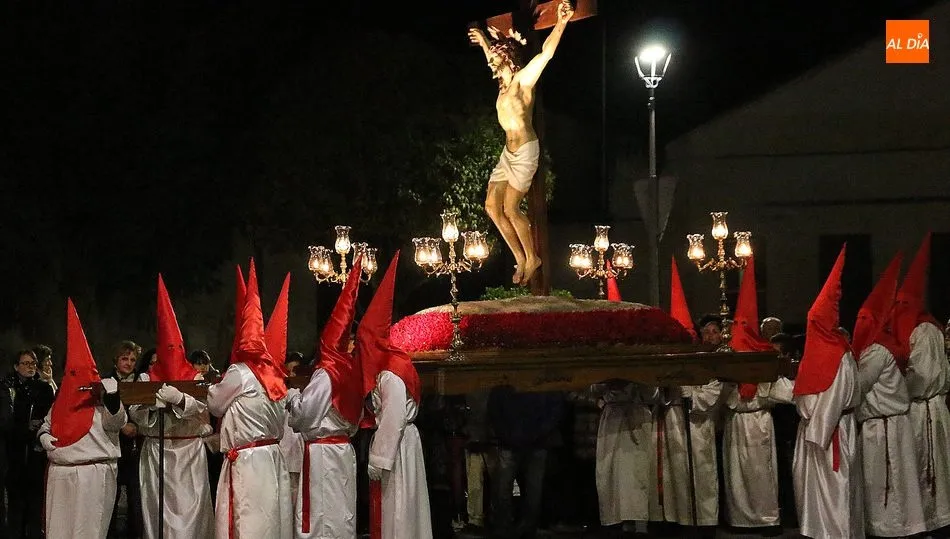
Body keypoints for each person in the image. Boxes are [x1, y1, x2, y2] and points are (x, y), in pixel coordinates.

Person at [467, 0, 574, 286]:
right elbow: (494, 56)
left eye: (494, 59)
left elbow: (546, 54)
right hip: (507, 152)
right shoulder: (502, 84)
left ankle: (532, 257)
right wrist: (484, 42)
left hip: (526, 150)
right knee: (492, 207)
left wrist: (561, 22)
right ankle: (521, 257)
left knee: (511, 208)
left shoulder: (523, 81)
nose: (490, 63)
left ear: (506, 59)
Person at [208, 260, 292, 539]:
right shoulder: (276, 375)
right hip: (272, 456)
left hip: (247, 459)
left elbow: (215, 404)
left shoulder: (239, 373)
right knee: (270, 519)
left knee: (247, 519)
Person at [130, 275, 214, 539]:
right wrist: (153, 406)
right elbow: (136, 411)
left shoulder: (196, 377)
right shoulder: (145, 378)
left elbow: (203, 406)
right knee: (158, 511)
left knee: (192, 512)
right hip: (157, 451)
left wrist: (180, 400)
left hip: (189, 452)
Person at [357, 252, 432, 539]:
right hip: (402, 444)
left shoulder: (390, 374)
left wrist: (378, 458)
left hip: (396, 447)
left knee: (398, 508)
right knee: (402, 507)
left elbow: (393, 417)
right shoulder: (394, 367)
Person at [287, 262, 363, 539]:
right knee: (341, 510)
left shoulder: (326, 374)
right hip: (343, 450)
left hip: (322, 453)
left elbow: (305, 416)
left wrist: (294, 397)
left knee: (321, 515)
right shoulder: (353, 373)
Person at [792, 246, 864, 538]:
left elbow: (832, 400)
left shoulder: (839, 355)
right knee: (814, 493)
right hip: (812, 432)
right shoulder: (817, 352)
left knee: (835, 491)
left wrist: (817, 432)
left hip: (827, 434)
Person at [853, 252, 926, 537]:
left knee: (887, 481)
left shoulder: (875, 351)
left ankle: (890, 529)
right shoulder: (881, 347)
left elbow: (858, 386)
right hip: (888, 424)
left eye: (863, 319)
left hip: (883, 426)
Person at [40, 299, 127, 539]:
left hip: (93, 475)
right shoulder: (62, 401)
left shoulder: (101, 400)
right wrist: (44, 436)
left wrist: (112, 400)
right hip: (61, 475)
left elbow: (116, 422)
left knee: (88, 532)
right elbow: (47, 423)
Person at [722, 257, 793, 532]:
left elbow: (782, 392)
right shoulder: (728, 356)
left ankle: (767, 518)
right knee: (737, 475)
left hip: (758, 421)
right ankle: (739, 519)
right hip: (737, 422)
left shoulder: (765, 356)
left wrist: (761, 392)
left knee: (762, 473)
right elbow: (723, 390)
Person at [892, 233, 950, 532]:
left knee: (931, 467)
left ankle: (934, 521)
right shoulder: (922, 328)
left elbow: (923, 376)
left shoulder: (924, 331)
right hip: (923, 408)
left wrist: (898, 389)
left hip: (923, 407)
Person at [5, 348, 55, 539]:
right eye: (25, 363)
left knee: (35, 503)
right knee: (16, 505)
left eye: (33, 363)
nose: (30, 367)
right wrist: (24, 425)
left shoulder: (43, 388)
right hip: (15, 453)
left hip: (36, 453)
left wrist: (39, 424)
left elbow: (50, 416)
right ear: (16, 366)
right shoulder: (9, 387)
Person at [107, 340, 144, 539]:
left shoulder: (142, 381)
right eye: (124, 358)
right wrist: (122, 426)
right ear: (116, 360)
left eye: (132, 359)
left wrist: (139, 426)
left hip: (136, 447)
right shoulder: (107, 381)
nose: (128, 363)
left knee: (135, 497)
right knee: (111, 497)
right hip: (113, 445)